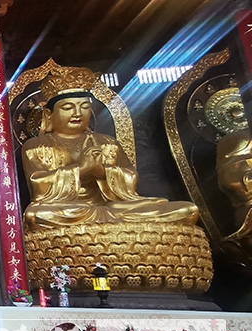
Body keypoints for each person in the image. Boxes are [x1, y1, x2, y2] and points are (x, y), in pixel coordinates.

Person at [21, 67, 199, 230]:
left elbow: (131, 179)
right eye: (68, 108)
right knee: (35, 215)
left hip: (115, 209)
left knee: (187, 210)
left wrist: (102, 172)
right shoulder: (36, 145)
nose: (77, 113)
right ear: (48, 114)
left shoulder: (107, 142)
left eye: (84, 107)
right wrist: (82, 170)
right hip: (68, 212)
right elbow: (38, 188)